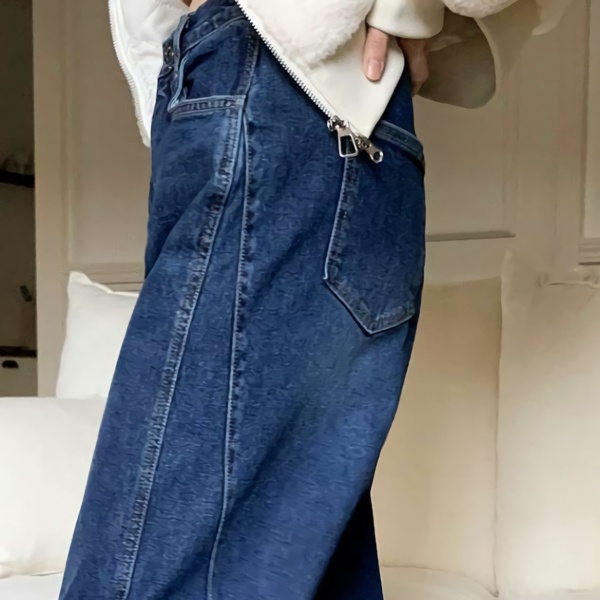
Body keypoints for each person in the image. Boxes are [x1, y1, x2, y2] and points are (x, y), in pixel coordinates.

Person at [59, 0, 572, 598]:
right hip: (215, 86)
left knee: (150, 564)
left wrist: (405, 7)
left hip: (285, 88)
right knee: (285, 551)